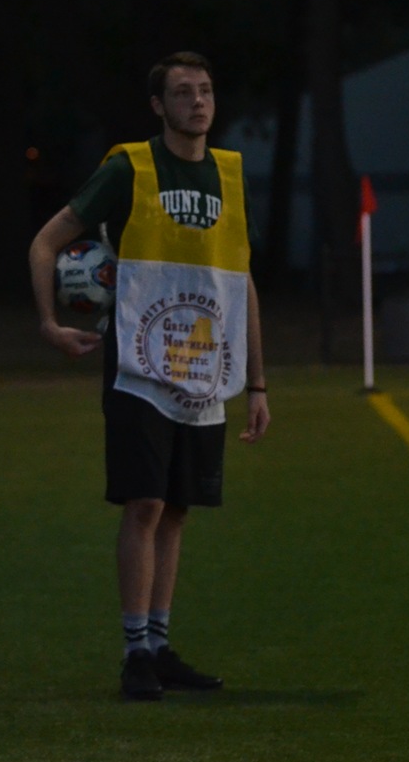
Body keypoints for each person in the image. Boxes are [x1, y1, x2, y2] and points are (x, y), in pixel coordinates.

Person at [28, 52, 270, 701]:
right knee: (145, 503)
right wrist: (50, 322)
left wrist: (258, 384)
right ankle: (135, 650)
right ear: (158, 106)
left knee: (178, 511)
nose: (198, 101)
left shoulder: (229, 174)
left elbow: (240, 280)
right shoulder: (128, 167)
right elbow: (46, 242)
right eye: (183, 92)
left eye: (206, 90)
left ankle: (160, 646)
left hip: (202, 370)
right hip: (138, 364)